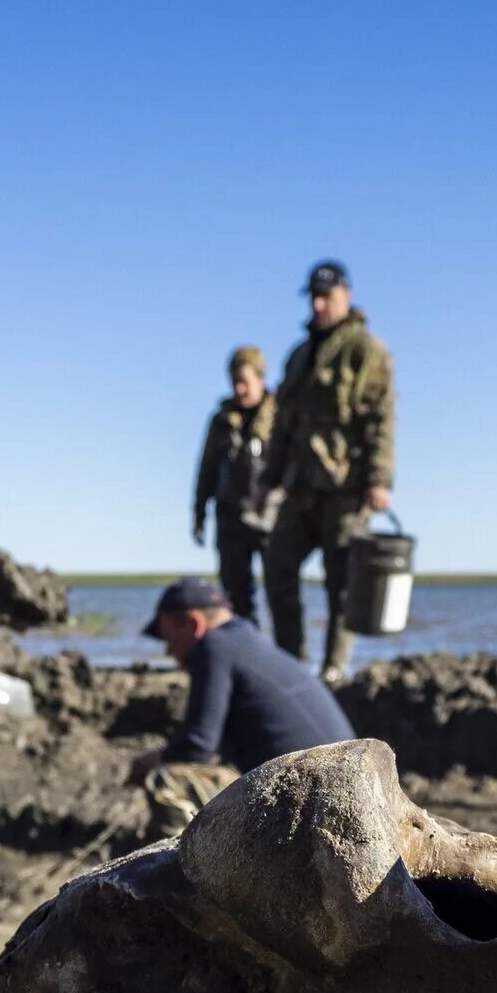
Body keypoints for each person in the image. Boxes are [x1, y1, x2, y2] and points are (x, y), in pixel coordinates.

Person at [127, 575, 354, 837]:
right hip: (339, 793)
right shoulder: (247, 642)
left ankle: (181, 871)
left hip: (307, 803)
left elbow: (198, 744)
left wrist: (152, 762)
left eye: (170, 640)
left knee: (165, 781)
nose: (170, 653)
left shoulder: (213, 646)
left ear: (192, 624)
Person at [260, 260, 395, 688]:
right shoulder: (299, 356)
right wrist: (268, 479)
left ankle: (334, 669)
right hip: (300, 486)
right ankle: (291, 664)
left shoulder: (366, 350)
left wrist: (379, 478)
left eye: (327, 297)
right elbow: (281, 424)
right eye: (314, 298)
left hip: (346, 487)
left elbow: (381, 418)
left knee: (342, 584)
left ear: (345, 296)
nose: (319, 305)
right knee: (278, 565)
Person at [191, 345, 277, 623]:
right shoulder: (221, 421)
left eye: (245, 382)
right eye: (235, 383)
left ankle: (285, 659)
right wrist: (199, 513)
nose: (239, 390)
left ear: (260, 379)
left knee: (280, 591)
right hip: (230, 517)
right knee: (235, 594)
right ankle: (246, 652)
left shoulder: (280, 416)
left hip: (271, 516)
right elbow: (207, 469)